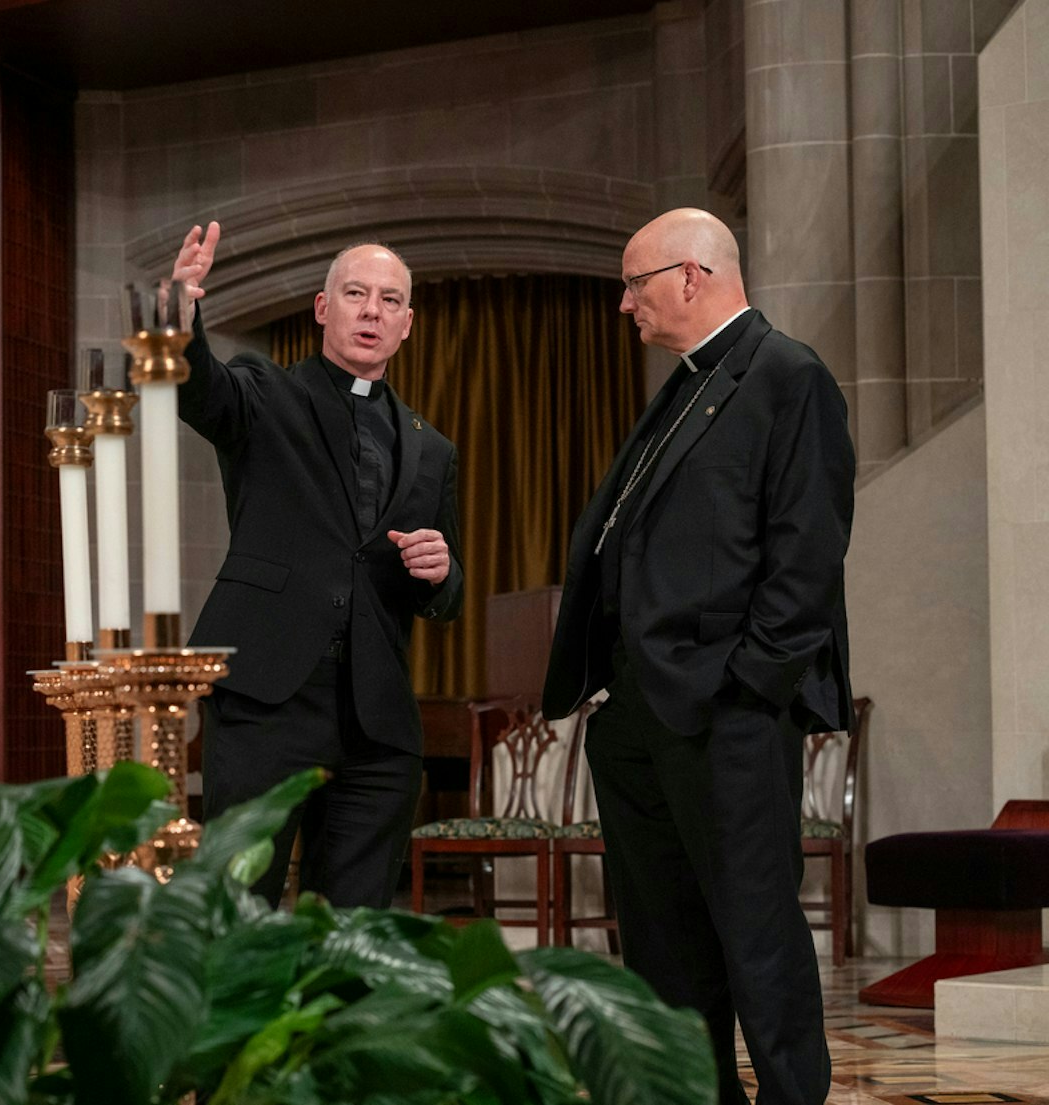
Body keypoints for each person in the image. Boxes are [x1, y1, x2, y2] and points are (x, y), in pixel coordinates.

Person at [541, 208, 854, 1105]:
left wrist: (748, 690)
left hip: (726, 712)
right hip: (641, 712)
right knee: (664, 937)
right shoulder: (682, 385)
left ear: (691, 276)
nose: (624, 304)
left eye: (634, 284)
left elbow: (807, 555)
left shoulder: (789, 376)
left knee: (756, 932)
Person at [171, 220, 464, 909]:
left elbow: (445, 596)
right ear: (322, 308)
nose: (372, 310)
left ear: (407, 324)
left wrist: (442, 570)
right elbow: (197, 387)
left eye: (390, 300)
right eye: (356, 293)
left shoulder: (434, 449)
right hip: (268, 697)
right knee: (237, 906)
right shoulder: (264, 393)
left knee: (353, 927)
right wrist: (181, 311)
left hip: (377, 718)